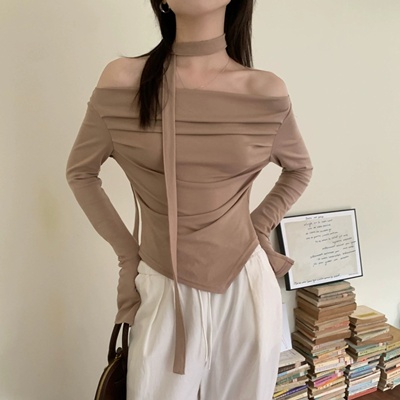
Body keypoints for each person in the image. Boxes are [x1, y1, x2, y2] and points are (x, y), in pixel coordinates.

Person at [66, 0, 313, 398]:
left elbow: (299, 169)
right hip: (162, 285)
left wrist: (256, 226)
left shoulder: (264, 90)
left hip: (246, 286)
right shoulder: (122, 80)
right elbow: (81, 172)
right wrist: (129, 257)